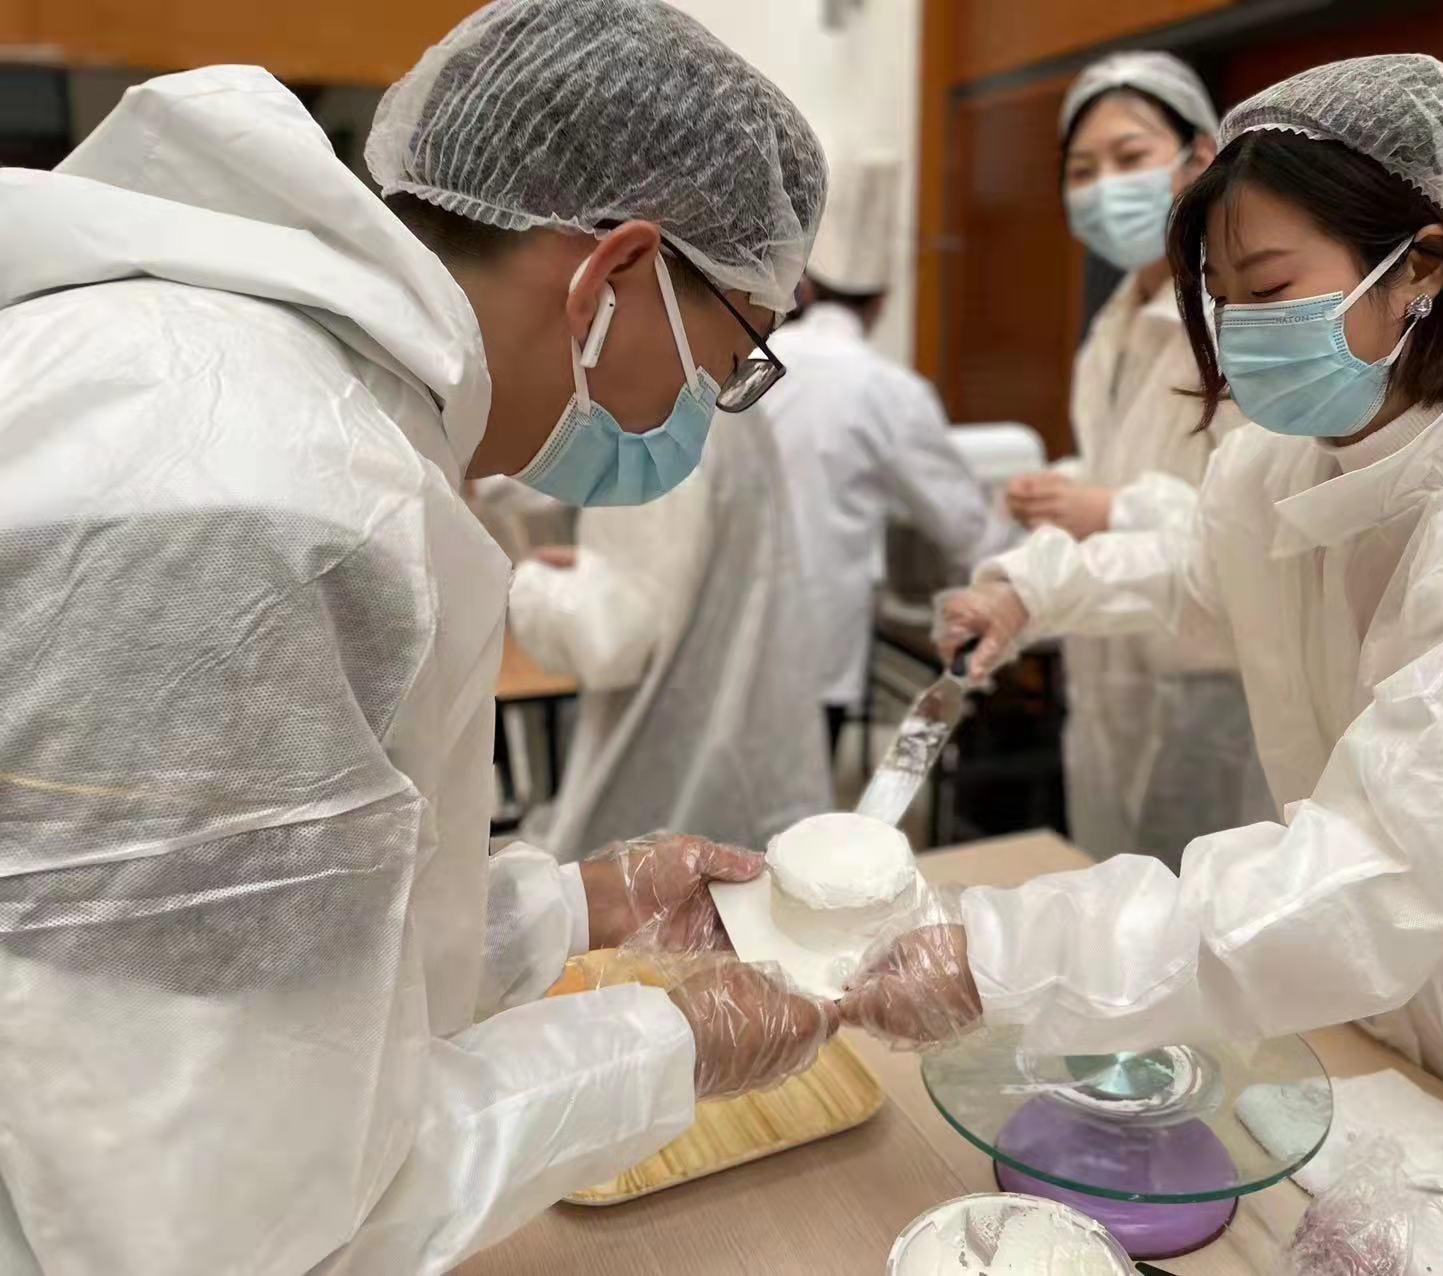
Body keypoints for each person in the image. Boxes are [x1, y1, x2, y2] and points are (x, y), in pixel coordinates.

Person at [0, 2, 840, 1271]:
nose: (700, 412)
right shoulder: (274, 490)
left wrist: (576, 905)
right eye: (725, 360)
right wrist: (674, 1046)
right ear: (612, 278)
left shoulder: (243, 388)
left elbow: (268, 966)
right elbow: (232, 1215)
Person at [845, 54, 1443, 1215]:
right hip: (1401, 1029)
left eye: (1268, 284)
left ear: (1422, 273)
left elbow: (1374, 866)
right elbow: (1193, 572)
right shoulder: (1285, 461)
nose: (1238, 328)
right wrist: (1031, 591)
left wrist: (997, 957)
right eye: (1221, 294)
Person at [1005, 51, 1268, 866]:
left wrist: (1108, 509)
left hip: (1210, 685)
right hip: (1111, 669)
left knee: (1197, 921)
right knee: (1114, 894)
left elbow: (1257, 525)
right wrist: (1069, 490)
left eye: (1129, 158)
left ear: (1199, 160)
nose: (1103, 187)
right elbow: (1128, 459)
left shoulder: (1244, 325)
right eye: (1082, 170)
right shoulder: (1114, 328)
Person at [496, 398, 832, 857]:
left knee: (667, 900)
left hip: (671, 764)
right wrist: (597, 568)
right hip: (744, 732)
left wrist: (522, 583)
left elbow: (612, 642)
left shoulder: (657, 415)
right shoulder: (728, 406)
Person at [763, 156, 1016, 758]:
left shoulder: (752, 356)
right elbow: (961, 526)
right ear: (882, 301)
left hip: (721, 631)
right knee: (792, 822)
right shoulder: (888, 390)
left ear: (810, 285)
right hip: (815, 638)